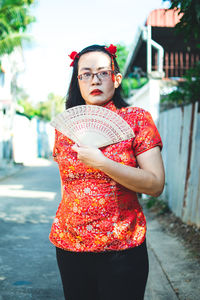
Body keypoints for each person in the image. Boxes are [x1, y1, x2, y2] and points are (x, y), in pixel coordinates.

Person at [49, 44, 165, 300]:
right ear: (77, 81)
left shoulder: (136, 119)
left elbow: (155, 185)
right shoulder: (65, 128)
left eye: (103, 72)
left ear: (116, 78)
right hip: (70, 245)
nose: (95, 80)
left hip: (122, 246)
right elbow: (66, 186)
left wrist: (102, 162)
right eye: (86, 74)